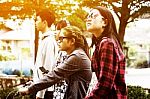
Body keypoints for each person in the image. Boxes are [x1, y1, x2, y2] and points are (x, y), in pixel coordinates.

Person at [19, 26, 92, 99]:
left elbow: (55, 75)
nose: (58, 41)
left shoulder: (77, 56)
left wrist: (29, 89)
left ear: (72, 41)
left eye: (61, 38)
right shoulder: (76, 55)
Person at [85, 6, 127, 99]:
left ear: (105, 22)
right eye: (88, 16)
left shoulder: (107, 43)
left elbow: (105, 84)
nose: (88, 19)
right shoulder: (101, 43)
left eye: (93, 16)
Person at [33, 9, 59, 99]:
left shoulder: (49, 41)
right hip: (41, 88)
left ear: (44, 22)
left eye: (37, 20)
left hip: (45, 91)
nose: (35, 23)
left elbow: (46, 69)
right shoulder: (45, 40)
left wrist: (40, 94)